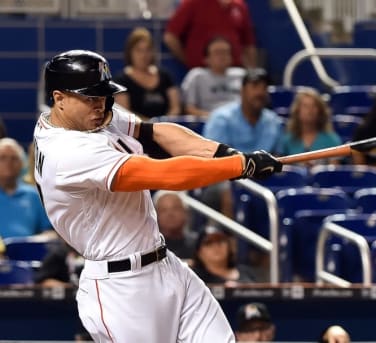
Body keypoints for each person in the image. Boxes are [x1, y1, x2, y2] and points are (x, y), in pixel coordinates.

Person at [34, 49, 282, 342]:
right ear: (59, 98)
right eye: (89, 97)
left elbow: (155, 133)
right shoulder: (66, 153)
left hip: (165, 263)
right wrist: (238, 166)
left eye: (102, 95)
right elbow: (164, 175)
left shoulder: (87, 118)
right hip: (121, 289)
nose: (99, 105)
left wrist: (225, 154)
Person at [203, 68, 283, 153]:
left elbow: (279, 156)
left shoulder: (274, 121)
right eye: (255, 86)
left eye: (264, 88)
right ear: (242, 91)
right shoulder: (221, 118)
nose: (260, 92)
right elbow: (213, 157)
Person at [163, 0, 257, 69]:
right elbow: (170, 36)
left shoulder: (240, 6)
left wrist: (252, 70)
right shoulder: (194, 3)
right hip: (202, 72)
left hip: (233, 73)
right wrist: (188, 61)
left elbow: (249, 45)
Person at [113, 27, 181, 120]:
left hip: (165, 128)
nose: (143, 55)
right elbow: (124, 112)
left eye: (147, 50)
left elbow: (175, 107)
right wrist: (148, 126)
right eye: (139, 50)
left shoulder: (165, 76)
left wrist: (165, 124)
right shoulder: (121, 80)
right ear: (130, 52)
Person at [0, 137, 54, 238]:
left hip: (29, 251)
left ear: (22, 164)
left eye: (14, 158)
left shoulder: (34, 196)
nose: (9, 163)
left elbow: (50, 232)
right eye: (2, 158)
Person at [181, 36, 245, 117]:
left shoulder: (242, 75)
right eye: (217, 53)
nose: (222, 56)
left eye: (225, 52)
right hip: (207, 121)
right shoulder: (197, 76)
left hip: (240, 121)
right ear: (206, 58)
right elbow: (189, 108)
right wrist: (216, 119)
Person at [279, 87, 342, 161]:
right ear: (297, 111)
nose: (310, 110)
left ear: (320, 111)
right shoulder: (287, 140)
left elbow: (334, 170)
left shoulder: (332, 140)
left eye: (314, 106)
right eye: (305, 106)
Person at [191, 225, 257, 285]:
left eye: (220, 241)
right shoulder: (195, 279)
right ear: (199, 253)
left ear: (229, 246)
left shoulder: (246, 271)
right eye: (208, 243)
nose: (216, 246)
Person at [152, 190, 197, 263]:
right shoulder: (149, 248)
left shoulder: (198, 245)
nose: (170, 214)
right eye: (163, 210)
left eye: (175, 208)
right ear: (155, 216)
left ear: (186, 213)